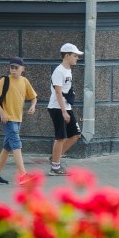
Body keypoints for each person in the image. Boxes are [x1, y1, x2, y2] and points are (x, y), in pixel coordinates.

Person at [0, 57, 37, 185]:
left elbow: (33, 97)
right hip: (8, 119)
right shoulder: (5, 80)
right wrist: (1, 111)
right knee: (16, 145)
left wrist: (33, 106)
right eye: (11, 67)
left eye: (16, 68)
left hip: (18, 119)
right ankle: (23, 175)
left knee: (7, 148)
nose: (13, 70)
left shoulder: (24, 81)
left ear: (23, 69)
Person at [47, 43, 83, 176]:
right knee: (60, 137)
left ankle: (55, 157)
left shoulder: (68, 70)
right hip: (57, 108)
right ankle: (55, 167)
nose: (77, 58)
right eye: (75, 56)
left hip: (66, 107)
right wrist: (63, 111)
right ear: (67, 56)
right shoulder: (59, 71)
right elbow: (58, 92)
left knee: (76, 135)